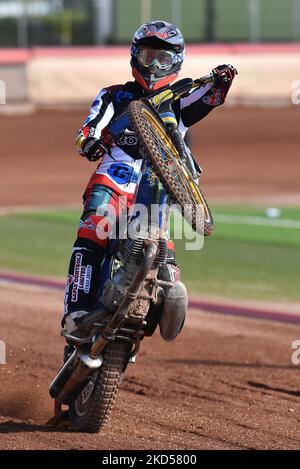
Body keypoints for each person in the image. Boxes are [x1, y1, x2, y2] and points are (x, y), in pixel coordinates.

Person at [62, 20, 237, 338]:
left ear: (177, 61)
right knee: (92, 232)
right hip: (113, 179)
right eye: (148, 56)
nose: (155, 65)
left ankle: (167, 296)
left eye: (163, 59)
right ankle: (75, 311)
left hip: (156, 186)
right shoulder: (114, 96)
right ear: (134, 57)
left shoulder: (179, 102)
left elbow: (209, 99)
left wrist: (222, 81)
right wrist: (89, 141)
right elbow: (88, 128)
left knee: (163, 249)